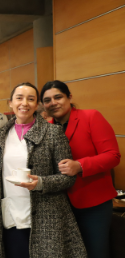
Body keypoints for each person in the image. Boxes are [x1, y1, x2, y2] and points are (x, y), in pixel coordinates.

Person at [0, 82, 86, 257]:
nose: (25, 103)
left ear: (37, 105)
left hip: (46, 217)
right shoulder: (2, 134)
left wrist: (41, 183)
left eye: (31, 99)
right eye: (19, 98)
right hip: (11, 214)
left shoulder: (53, 133)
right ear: (10, 103)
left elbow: (68, 177)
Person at [41, 80, 121, 258]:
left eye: (58, 97)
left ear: (69, 97)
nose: (53, 103)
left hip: (93, 204)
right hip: (61, 204)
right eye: (47, 100)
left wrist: (80, 165)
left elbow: (113, 155)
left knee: (95, 252)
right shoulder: (46, 127)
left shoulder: (91, 117)